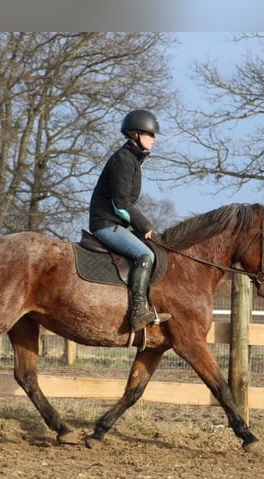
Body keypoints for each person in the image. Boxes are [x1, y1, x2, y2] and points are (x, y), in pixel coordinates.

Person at [89, 109, 171, 332]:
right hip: (105, 223)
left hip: (114, 223)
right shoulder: (123, 160)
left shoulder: (132, 160)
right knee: (145, 254)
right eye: (150, 134)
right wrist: (144, 225)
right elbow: (121, 204)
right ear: (135, 134)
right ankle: (138, 312)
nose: (154, 139)